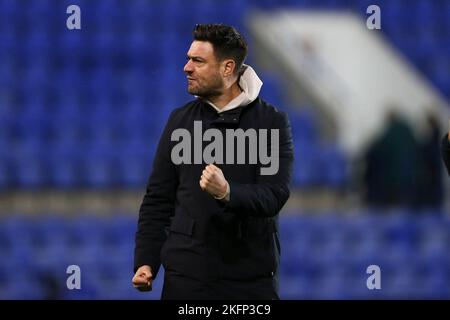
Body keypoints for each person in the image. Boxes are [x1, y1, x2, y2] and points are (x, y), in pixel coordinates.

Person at [132, 24, 293, 300]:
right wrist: (146, 261)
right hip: (185, 280)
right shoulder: (179, 121)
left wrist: (227, 192)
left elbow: (274, 194)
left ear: (228, 67)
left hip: (249, 282)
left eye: (198, 61)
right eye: (188, 58)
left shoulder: (271, 122)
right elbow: (158, 200)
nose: (186, 67)